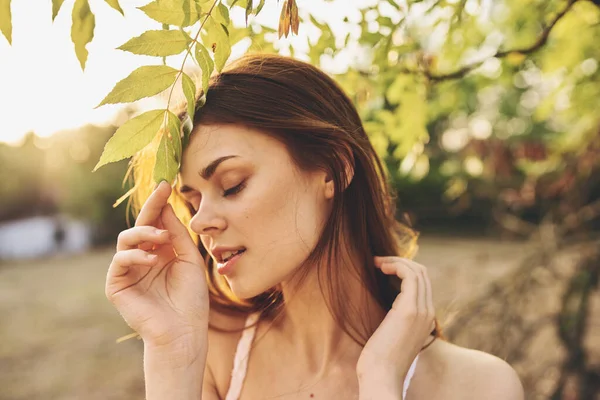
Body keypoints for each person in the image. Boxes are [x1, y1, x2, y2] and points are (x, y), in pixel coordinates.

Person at [105, 53, 524, 400]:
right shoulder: (210, 355)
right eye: (192, 201)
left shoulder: (479, 386)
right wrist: (171, 351)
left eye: (231, 186)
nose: (199, 222)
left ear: (332, 169)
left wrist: (379, 380)